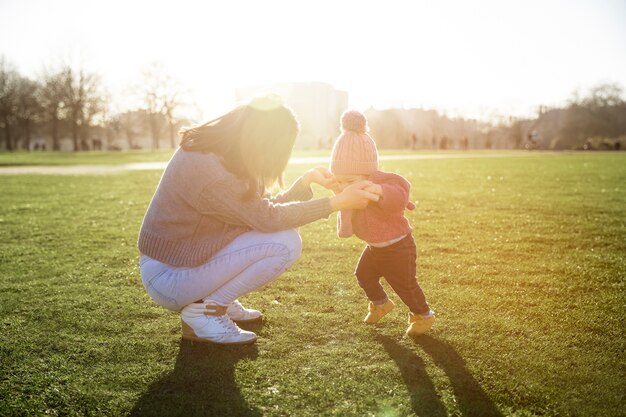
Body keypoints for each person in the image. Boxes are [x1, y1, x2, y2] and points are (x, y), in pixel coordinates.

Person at [137, 95, 379, 345]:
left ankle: (215, 300)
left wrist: (305, 182)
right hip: (170, 277)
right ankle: (206, 310)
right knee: (285, 243)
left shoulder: (226, 157)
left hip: (186, 265)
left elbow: (259, 212)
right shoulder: (208, 166)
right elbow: (267, 219)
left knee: (280, 236)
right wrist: (336, 203)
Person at [329, 110, 435, 336]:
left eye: (351, 180)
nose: (345, 185)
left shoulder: (383, 182)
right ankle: (380, 303)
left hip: (398, 247)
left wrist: (378, 191)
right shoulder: (349, 192)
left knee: (405, 285)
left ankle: (423, 314)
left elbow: (400, 193)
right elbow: (345, 227)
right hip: (374, 248)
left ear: (369, 174)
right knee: (363, 275)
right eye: (340, 180)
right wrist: (342, 197)